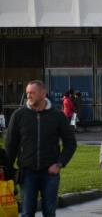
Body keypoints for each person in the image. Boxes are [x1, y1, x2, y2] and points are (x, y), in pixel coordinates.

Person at [6, 80, 77, 217]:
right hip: (27, 173)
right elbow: (11, 145)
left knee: (49, 212)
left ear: (43, 93)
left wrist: (60, 163)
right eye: (27, 93)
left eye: (32, 93)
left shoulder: (58, 116)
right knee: (27, 213)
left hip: (50, 173)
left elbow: (70, 143)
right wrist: (8, 171)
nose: (29, 96)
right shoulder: (19, 115)